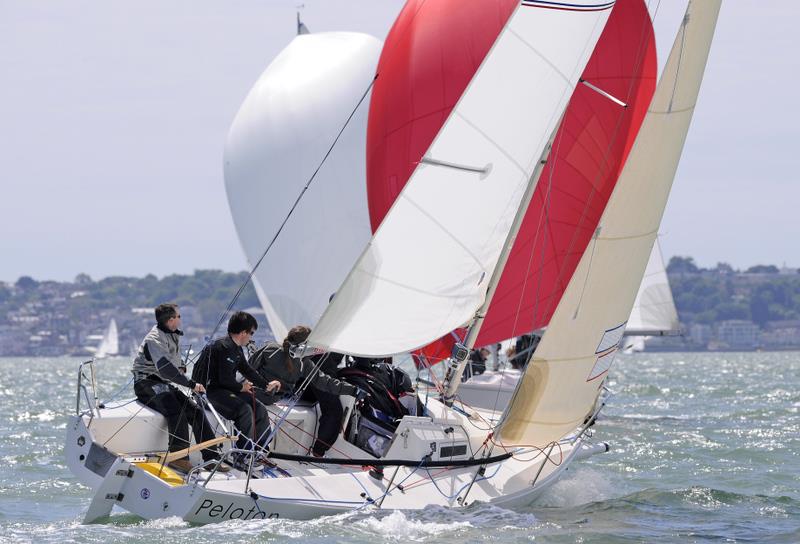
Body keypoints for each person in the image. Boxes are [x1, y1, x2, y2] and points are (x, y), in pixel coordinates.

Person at [131, 303, 225, 473]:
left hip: (162, 383)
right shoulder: (154, 339)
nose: (181, 319)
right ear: (171, 319)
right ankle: (179, 458)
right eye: (179, 316)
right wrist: (191, 384)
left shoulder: (172, 334)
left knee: (195, 411)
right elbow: (165, 369)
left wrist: (181, 366)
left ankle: (211, 458)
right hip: (146, 384)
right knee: (176, 411)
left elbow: (173, 360)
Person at [248, 325, 365, 457]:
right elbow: (327, 383)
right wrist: (353, 390)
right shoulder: (304, 364)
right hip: (270, 398)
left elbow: (248, 368)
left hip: (251, 393)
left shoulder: (270, 348)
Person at [196, 311, 281, 462]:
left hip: (225, 390)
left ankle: (260, 451)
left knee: (259, 408)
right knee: (244, 410)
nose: (251, 337)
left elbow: (247, 370)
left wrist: (266, 385)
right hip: (209, 392)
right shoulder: (223, 347)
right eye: (252, 333)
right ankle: (242, 454)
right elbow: (224, 379)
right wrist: (241, 388)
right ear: (243, 332)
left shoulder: (236, 349)